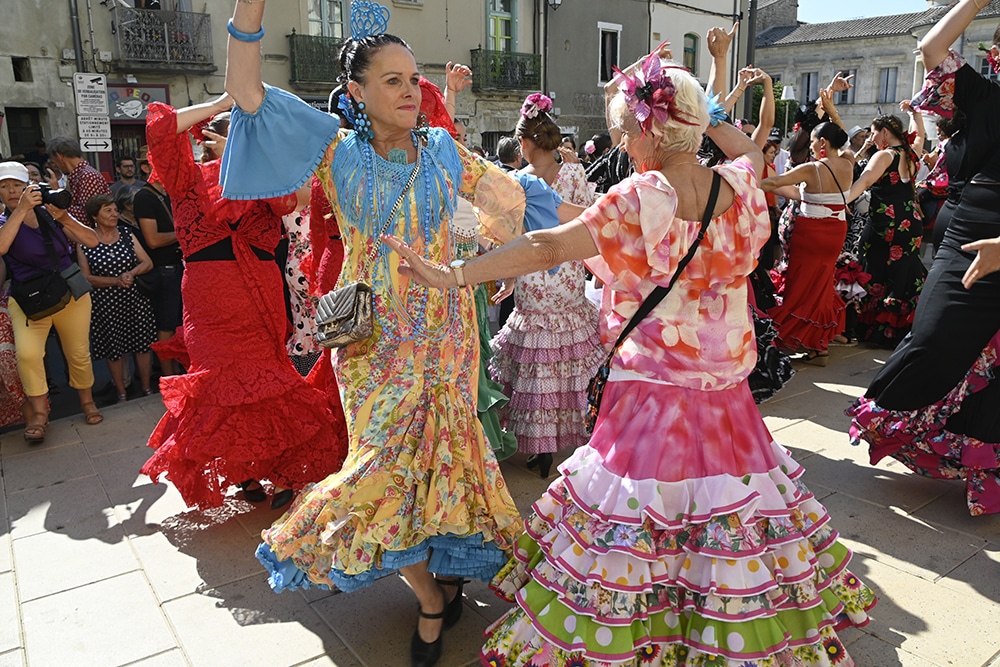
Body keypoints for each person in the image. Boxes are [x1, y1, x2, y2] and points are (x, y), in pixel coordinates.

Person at [387, 48, 876, 665]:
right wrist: (703, 102)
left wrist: (452, 276)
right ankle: (718, 634)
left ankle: (639, 635)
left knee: (635, 526)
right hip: (727, 398)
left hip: (649, 398)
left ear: (644, 130)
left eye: (623, 129)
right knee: (727, 521)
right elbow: (748, 151)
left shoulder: (641, 195)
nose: (620, 141)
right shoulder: (743, 186)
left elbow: (544, 248)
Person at [223, 4, 577, 664]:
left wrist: (592, 220)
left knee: (444, 461)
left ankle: (437, 576)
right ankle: (431, 593)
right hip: (368, 345)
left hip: (446, 335)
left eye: (414, 79)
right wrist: (250, 10)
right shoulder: (333, 148)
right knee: (377, 471)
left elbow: (513, 206)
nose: (411, 90)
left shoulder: (444, 150)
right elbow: (247, 93)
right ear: (356, 91)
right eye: (392, 80)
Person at [138, 91, 349, 511]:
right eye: (232, 136)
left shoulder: (265, 186)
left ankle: (282, 470)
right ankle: (246, 471)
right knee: (219, 384)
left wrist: (261, 147)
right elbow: (159, 129)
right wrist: (220, 104)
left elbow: (305, 196)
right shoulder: (186, 180)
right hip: (209, 302)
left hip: (262, 302)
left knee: (269, 382)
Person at [849, 0, 1000, 516]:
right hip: (966, 237)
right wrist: (974, 2)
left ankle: (986, 467)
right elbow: (933, 48)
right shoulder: (984, 97)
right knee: (933, 343)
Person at [491, 92, 604, 477]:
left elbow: (510, 236)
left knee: (536, 359)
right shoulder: (574, 172)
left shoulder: (518, 182)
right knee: (567, 357)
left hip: (533, 271)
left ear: (522, 143)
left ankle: (540, 447)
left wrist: (507, 275)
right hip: (568, 274)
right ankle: (570, 434)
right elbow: (588, 222)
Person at [0, 161, 102, 441]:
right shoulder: (3, 221)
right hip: (28, 299)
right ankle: (40, 413)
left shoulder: (49, 212)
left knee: (78, 353)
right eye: (4, 186)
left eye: (18, 186)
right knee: (28, 355)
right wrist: (20, 210)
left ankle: (87, 401)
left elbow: (92, 241)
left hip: (67, 292)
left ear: (29, 186)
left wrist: (65, 218)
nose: (12, 191)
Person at [761, 122, 854, 364]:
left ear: (822, 142)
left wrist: (741, 180)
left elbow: (774, 183)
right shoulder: (848, 162)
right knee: (821, 284)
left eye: (813, 141)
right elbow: (842, 139)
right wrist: (832, 112)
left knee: (800, 285)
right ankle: (819, 345)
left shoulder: (812, 169)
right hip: (836, 231)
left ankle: (795, 339)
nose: (811, 146)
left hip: (811, 232)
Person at [847, 113, 927, 347]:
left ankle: (876, 330)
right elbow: (920, 135)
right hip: (910, 221)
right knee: (905, 270)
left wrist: (842, 202)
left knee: (873, 266)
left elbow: (864, 181)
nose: (871, 137)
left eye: (873, 132)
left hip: (886, 223)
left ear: (884, 132)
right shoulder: (911, 153)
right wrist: (916, 115)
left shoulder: (884, 155)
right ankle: (903, 329)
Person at [78, 194, 156, 401]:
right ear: (95, 216)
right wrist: (115, 281)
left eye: (115, 210)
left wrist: (131, 273)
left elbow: (147, 262)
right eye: (108, 210)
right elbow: (85, 277)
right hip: (105, 302)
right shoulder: (85, 241)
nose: (115, 214)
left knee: (142, 343)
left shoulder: (127, 233)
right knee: (114, 348)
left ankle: (147, 389)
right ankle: (121, 392)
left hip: (135, 297)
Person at [132, 158, 184, 376]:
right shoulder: (144, 196)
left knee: (179, 323)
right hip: (164, 268)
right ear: (145, 168)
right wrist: (184, 233)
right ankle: (168, 377)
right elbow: (152, 239)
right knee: (166, 324)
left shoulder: (170, 193)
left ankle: (181, 372)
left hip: (179, 266)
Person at [46, 136, 111, 226]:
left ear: (59, 156)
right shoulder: (77, 176)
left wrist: (57, 195)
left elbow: (87, 218)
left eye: (54, 161)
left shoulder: (88, 176)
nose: (57, 166)